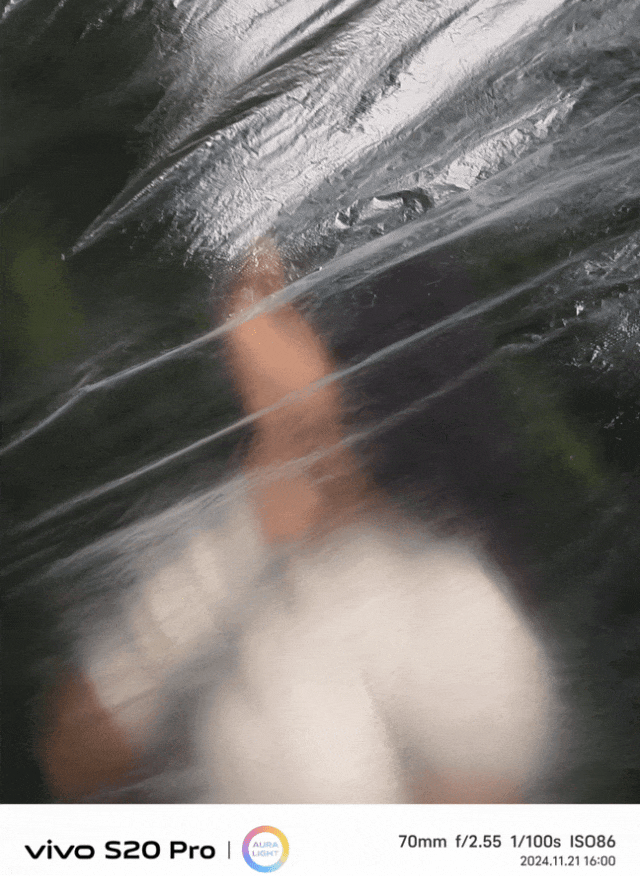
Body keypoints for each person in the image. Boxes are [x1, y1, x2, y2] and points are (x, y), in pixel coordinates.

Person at [39, 241, 557, 803]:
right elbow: (76, 762)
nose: (241, 329)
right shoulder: (214, 535)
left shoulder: (452, 604)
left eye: (278, 306)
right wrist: (235, 550)